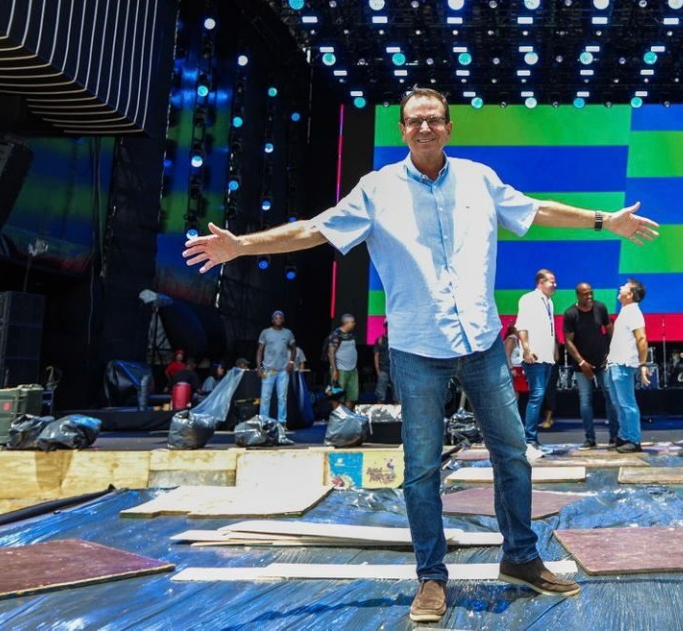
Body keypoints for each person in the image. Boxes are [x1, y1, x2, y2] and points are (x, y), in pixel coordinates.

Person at [182, 85, 658, 623]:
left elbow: (536, 210)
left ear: (449, 128)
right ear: (403, 130)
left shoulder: (479, 179)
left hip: (481, 344)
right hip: (416, 349)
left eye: (434, 119)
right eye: (415, 121)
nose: (425, 127)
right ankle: (431, 576)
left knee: (512, 455)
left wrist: (605, 220)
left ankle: (521, 557)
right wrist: (241, 246)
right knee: (422, 469)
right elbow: (314, 229)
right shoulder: (376, 189)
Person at [563, 282, 619, 448]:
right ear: (578, 295)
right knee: (585, 400)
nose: (589, 296)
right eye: (585, 294)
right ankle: (590, 438)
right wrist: (581, 362)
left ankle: (615, 436)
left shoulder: (600, 307)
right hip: (582, 364)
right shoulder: (571, 314)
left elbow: (609, 327)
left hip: (602, 361)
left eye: (591, 293)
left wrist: (611, 350)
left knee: (611, 397)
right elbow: (568, 341)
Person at [516, 270, 559, 448]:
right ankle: (529, 439)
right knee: (537, 394)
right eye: (551, 282)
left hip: (546, 356)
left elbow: (550, 329)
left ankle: (531, 438)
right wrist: (527, 350)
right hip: (534, 356)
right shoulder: (529, 299)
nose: (555, 285)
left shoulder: (549, 302)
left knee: (540, 396)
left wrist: (553, 351)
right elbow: (521, 326)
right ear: (540, 282)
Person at [606, 279, 649, 454]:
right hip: (615, 362)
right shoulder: (626, 311)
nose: (620, 287)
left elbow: (642, 339)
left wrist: (643, 364)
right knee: (618, 403)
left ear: (630, 294)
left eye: (624, 287)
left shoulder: (633, 312)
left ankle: (634, 439)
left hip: (623, 364)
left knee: (627, 403)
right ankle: (624, 436)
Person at [257, 310, 296, 423]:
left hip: (283, 370)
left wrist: (291, 362)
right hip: (268, 369)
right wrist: (259, 367)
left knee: (282, 397)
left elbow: (294, 348)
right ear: (272, 320)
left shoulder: (287, 333)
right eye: (276, 318)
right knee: (265, 397)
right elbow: (259, 350)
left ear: (283, 320)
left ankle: (282, 422)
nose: (278, 319)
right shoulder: (266, 332)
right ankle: (264, 422)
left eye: (280, 318)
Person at [328, 314, 360, 409]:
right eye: (352, 322)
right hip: (340, 370)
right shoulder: (336, 335)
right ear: (346, 323)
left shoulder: (351, 334)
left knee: (351, 396)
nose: (354, 324)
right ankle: (338, 416)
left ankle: (347, 416)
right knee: (337, 395)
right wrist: (334, 370)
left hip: (352, 370)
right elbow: (330, 353)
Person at [374, 320, 399, 404]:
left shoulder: (397, 340)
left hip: (395, 371)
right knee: (380, 395)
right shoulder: (380, 340)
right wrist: (378, 371)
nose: (389, 327)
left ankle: (397, 413)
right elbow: (376, 355)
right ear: (385, 326)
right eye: (387, 325)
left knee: (397, 397)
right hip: (383, 370)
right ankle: (379, 412)